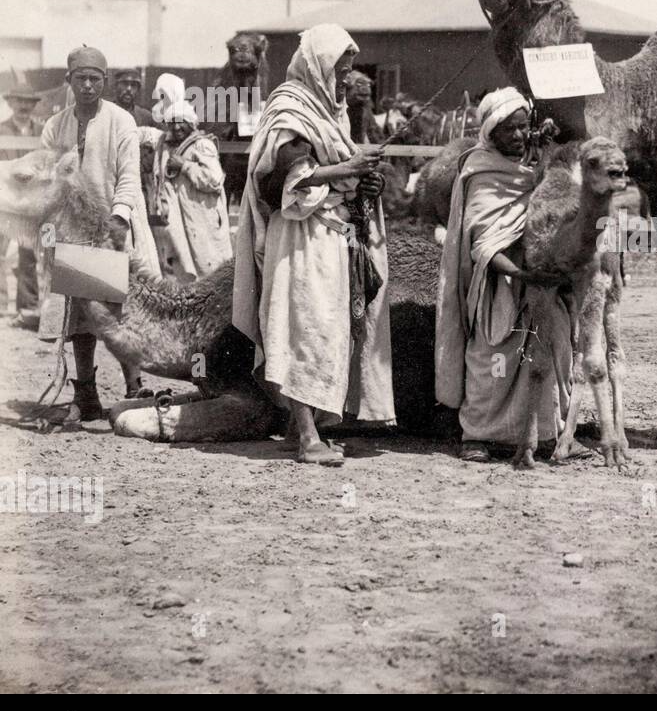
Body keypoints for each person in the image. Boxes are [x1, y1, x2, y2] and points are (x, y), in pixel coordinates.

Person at [232, 24, 393, 466]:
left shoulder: (330, 110)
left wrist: (364, 179)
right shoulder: (289, 108)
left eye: (347, 71)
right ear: (319, 64)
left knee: (328, 328)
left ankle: (301, 427)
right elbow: (283, 177)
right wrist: (350, 168)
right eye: (339, 70)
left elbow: (334, 168)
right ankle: (306, 438)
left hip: (332, 234)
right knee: (303, 325)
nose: (344, 79)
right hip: (300, 235)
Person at [434, 87, 573, 463]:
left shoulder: (536, 168)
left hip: (539, 281)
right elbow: (481, 244)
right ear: (491, 132)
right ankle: (479, 435)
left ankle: (544, 434)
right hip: (499, 284)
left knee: (551, 344)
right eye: (508, 129)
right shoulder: (481, 170)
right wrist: (520, 274)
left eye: (522, 127)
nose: (516, 135)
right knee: (492, 357)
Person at [40, 46, 161, 415]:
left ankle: (134, 385)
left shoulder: (121, 121)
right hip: (73, 229)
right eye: (81, 79)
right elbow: (48, 179)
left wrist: (119, 218)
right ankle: (86, 392)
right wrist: (49, 228)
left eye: (95, 79)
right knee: (79, 311)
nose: (89, 86)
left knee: (120, 307)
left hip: (115, 224)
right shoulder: (54, 125)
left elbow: (128, 176)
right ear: (69, 81)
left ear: (104, 82)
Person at [149, 74, 232, 282]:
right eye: (172, 123)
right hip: (180, 222)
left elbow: (214, 180)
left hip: (203, 219)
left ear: (190, 123)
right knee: (185, 273)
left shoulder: (202, 145)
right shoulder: (166, 146)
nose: (177, 128)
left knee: (211, 271)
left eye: (181, 123)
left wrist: (185, 166)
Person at [0, 81, 44, 327]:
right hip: (4, 199)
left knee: (28, 253)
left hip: (30, 201)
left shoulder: (40, 131)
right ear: (10, 103)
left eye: (29, 102)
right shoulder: (1, 129)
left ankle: (27, 307)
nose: (24, 106)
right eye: (19, 101)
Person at [343, 70, 374, 143]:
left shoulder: (365, 108)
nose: (365, 88)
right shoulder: (341, 108)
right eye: (359, 84)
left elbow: (372, 131)